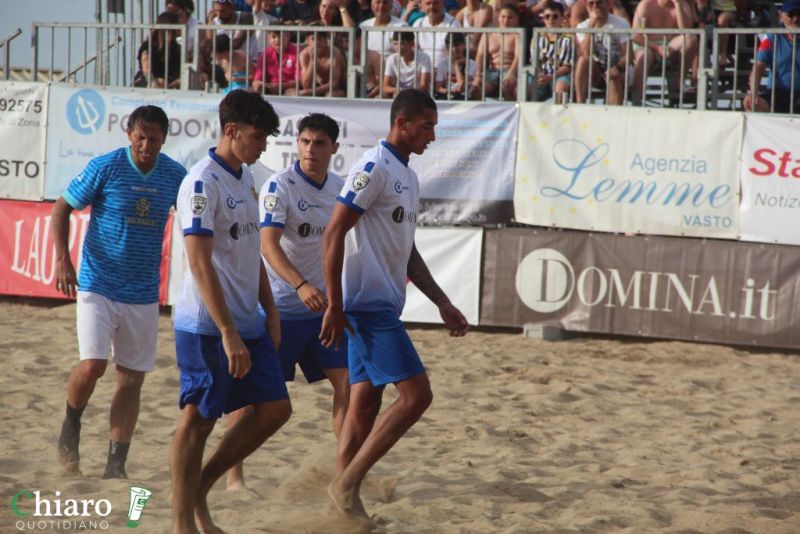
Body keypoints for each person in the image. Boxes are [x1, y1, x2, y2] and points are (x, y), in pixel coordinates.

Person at [321, 88, 470, 518]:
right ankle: (347, 485)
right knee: (416, 396)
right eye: (427, 126)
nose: (432, 136)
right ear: (401, 123)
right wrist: (334, 303)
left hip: (383, 303)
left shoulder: (408, 175)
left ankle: (341, 508)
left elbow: (407, 250)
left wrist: (441, 301)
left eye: (435, 127)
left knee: (364, 404)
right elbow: (334, 233)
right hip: (366, 307)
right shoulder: (374, 166)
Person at [170, 89, 291, 534]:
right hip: (207, 325)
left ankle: (200, 487)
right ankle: (183, 522)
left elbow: (249, 251)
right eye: (257, 137)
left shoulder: (243, 176)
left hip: (247, 321)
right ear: (231, 131)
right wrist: (228, 332)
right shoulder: (201, 182)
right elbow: (199, 263)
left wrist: (270, 312)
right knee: (198, 420)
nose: (263, 146)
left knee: (276, 408)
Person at [53, 106, 186, 479]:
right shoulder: (105, 166)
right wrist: (63, 259)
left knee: (130, 380)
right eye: (140, 137)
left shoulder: (175, 175)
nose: (146, 145)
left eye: (154, 139)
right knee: (93, 365)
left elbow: (197, 221)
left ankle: (115, 466)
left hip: (143, 291)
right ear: (129, 134)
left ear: (163, 139)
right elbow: (61, 208)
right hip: (98, 283)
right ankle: (72, 422)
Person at [225, 113, 351, 491]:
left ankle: (344, 473)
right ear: (297, 144)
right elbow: (267, 244)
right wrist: (300, 285)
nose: (311, 150)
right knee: (250, 397)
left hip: (322, 312)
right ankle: (234, 477)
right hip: (279, 309)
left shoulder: (340, 189)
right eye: (306, 141)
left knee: (348, 385)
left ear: (334, 149)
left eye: (320, 143)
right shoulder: (280, 186)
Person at [630, 0, 697, 106]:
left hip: (670, 47)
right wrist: (657, 48)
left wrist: (678, 5)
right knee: (643, 56)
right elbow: (636, 36)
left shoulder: (683, 5)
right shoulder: (646, 5)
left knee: (691, 38)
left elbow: (686, 31)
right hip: (648, 45)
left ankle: (679, 82)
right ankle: (637, 100)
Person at [743, 0, 800, 114]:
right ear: (781, 16)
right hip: (777, 93)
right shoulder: (771, 38)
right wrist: (753, 93)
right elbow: (758, 67)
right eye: (790, 14)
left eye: (799, 14)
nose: (795, 19)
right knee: (751, 103)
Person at [573, 0, 630, 105]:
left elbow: (628, 55)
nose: (595, 6)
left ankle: (612, 115)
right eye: (591, 3)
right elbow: (586, 53)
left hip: (619, 68)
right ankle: (580, 105)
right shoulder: (582, 26)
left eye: (599, 2)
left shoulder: (621, 23)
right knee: (582, 61)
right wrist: (591, 26)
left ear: (608, 4)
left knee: (613, 76)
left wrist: (617, 68)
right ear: (586, 6)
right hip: (597, 69)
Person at [472, 4, 521, 100]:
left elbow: (518, 56)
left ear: (516, 19)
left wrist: (511, 73)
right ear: (498, 18)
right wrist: (477, 75)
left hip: (509, 70)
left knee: (508, 85)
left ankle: (509, 112)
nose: (506, 20)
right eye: (503, 17)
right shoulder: (488, 34)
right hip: (492, 71)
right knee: (475, 89)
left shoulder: (517, 35)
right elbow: (480, 56)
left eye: (510, 17)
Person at [532, 0, 573, 103]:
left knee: (560, 89)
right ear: (543, 19)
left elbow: (567, 67)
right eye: (547, 16)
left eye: (555, 16)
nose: (550, 20)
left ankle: (558, 118)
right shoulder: (537, 35)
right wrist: (540, 76)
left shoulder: (568, 37)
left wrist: (550, 77)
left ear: (562, 18)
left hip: (561, 75)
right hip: (542, 75)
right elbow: (534, 61)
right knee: (523, 89)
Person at [138, 11, 183, 89]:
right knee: (160, 81)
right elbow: (147, 71)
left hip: (167, 84)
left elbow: (177, 74)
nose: (182, 27)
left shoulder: (176, 48)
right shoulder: (149, 45)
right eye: (178, 23)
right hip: (148, 82)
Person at [413, 0, 462, 66]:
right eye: (428, 4)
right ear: (422, 5)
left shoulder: (453, 24)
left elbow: (457, 53)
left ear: (443, 3)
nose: (432, 7)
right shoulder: (418, 24)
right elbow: (414, 50)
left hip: (446, 70)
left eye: (435, 3)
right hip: (423, 70)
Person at [383, 31, 433, 96]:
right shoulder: (392, 59)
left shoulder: (424, 57)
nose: (398, 47)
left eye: (402, 43)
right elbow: (385, 86)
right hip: (400, 95)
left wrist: (406, 93)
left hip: (418, 95)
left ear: (412, 44)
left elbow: (424, 86)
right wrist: (396, 90)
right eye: (395, 44)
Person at [252, 30, 301, 95]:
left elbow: (300, 82)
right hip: (269, 88)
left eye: (280, 36)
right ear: (269, 39)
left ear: (288, 36)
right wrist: (261, 85)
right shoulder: (265, 54)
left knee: (292, 93)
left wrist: (280, 87)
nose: (277, 40)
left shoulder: (298, 52)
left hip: (289, 88)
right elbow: (257, 79)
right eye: (274, 37)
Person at [298, 31, 347, 96]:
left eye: (319, 39)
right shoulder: (304, 54)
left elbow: (334, 84)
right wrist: (312, 61)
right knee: (291, 92)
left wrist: (308, 92)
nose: (316, 43)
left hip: (339, 87)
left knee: (330, 95)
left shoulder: (335, 53)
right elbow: (306, 86)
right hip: (316, 86)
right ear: (307, 41)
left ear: (325, 41)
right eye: (313, 39)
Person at [434, 32, 478, 99]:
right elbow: (438, 87)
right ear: (447, 47)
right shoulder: (442, 63)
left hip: (464, 96)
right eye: (452, 46)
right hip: (447, 95)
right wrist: (448, 92)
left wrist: (456, 65)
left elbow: (462, 85)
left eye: (458, 45)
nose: (455, 49)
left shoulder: (472, 64)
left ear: (464, 45)